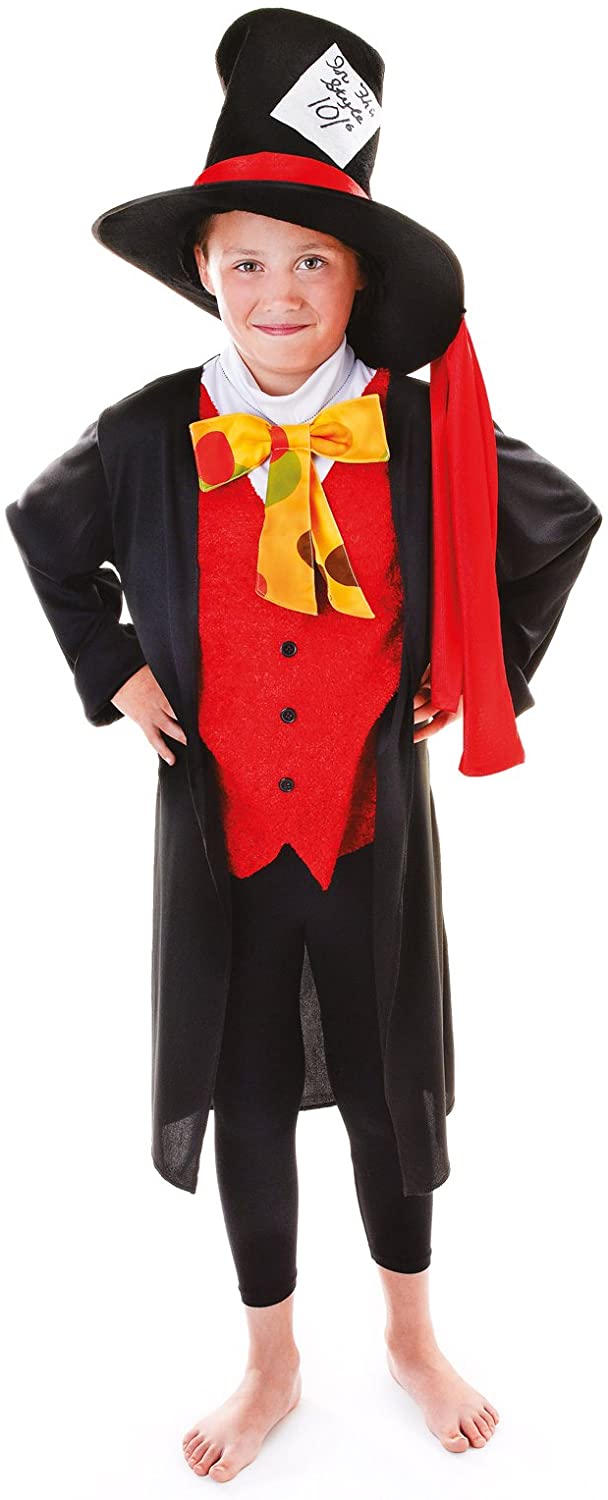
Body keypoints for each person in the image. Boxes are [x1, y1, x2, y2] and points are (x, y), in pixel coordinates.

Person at [5, 6, 602, 1484]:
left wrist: (478, 671)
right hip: (224, 839)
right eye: (250, 260)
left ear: (359, 281)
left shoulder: (418, 430)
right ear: (206, 268)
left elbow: (555, 527)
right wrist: (116, 670)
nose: (280, 291)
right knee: (250, 1090)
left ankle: (409, 1332)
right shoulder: (149, 433)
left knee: (393, 1089)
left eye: (314, 261)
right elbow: (46, 534)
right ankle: (270, 1356)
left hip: (364, 828)